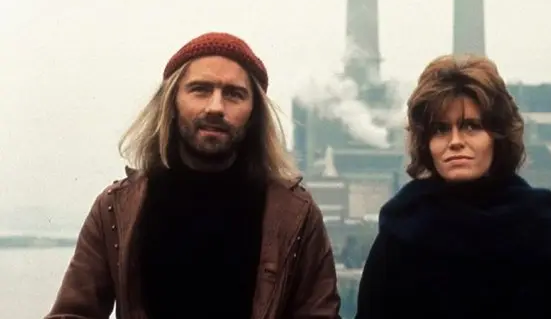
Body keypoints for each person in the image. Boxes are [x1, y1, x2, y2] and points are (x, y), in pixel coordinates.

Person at [46, 32, 341, 319]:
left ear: (254, 113)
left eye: (234, 94)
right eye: (200, 89)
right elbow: (74, 312)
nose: (215, 107)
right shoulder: (116, 208)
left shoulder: (295, 214)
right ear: (171, 101)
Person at [355, 55, 551, 319]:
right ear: (426, 143)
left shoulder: (543, 227)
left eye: (471, 126)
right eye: (440, 130)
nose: (455, 142)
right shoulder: (402, 230)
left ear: (498, 136)